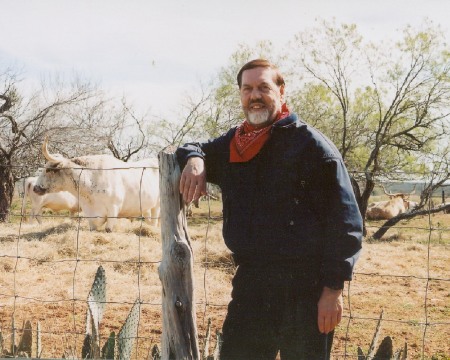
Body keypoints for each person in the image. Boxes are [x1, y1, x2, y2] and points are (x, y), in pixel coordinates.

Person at [176, 59, 363, 360]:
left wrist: (332, 292)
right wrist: (195, 160)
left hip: (306, 290)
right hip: (251, 285)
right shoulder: (234, 144)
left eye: (264, 87)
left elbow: (346, 224)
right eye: (247, 88)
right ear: (240, 95)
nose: (255, 95)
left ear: (281, 91)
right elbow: (192, 146)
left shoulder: (313, 148)